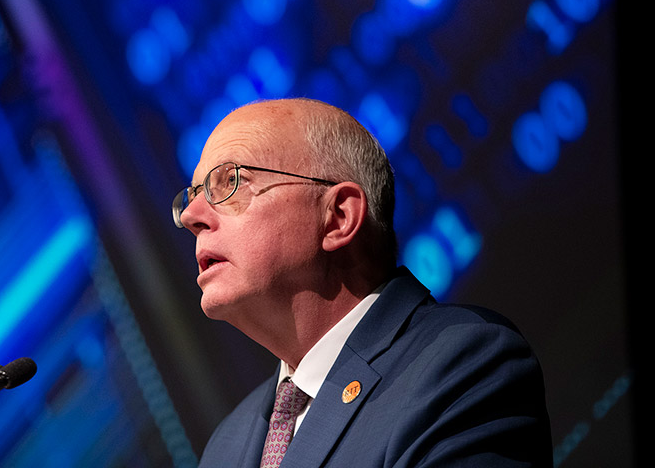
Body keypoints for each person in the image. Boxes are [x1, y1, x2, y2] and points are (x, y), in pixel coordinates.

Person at [173, 99, 551, 467]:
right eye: (193, 195)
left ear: (338, 217)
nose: (191, 215)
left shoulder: (464, 366)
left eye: (230, 182)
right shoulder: (227, 444)